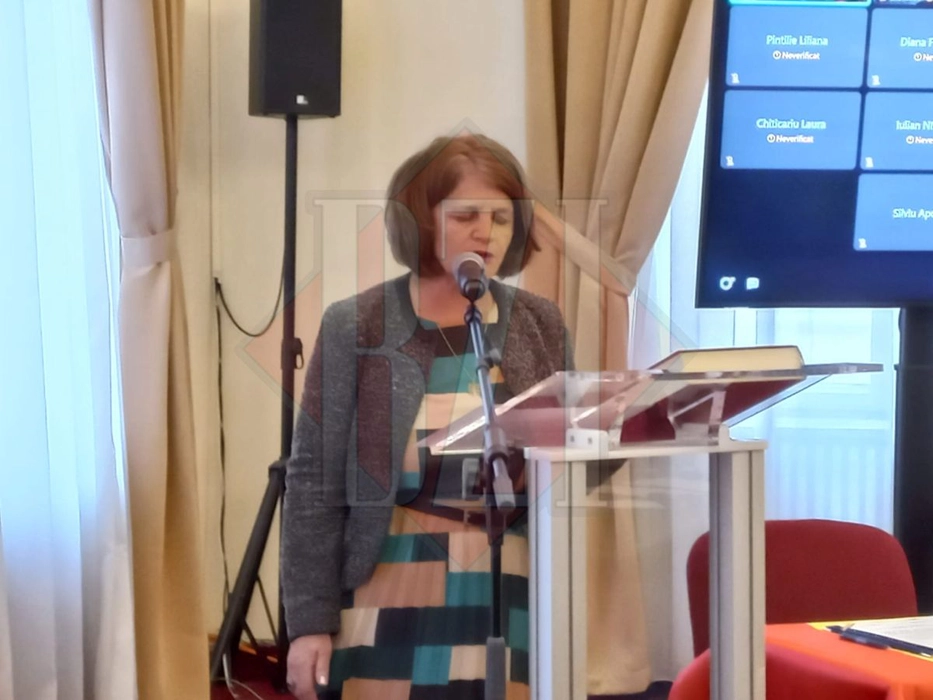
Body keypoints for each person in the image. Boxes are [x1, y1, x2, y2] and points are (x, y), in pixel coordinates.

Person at [281, 133, 573, 700]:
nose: (487, 233)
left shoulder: (540, 323)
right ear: (419, 220)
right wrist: (308, 622)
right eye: (466, 216)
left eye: (502, 218)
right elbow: (313, 482)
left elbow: (573, 459)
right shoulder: (357, 325)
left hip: (508, 584)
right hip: (388, 580)